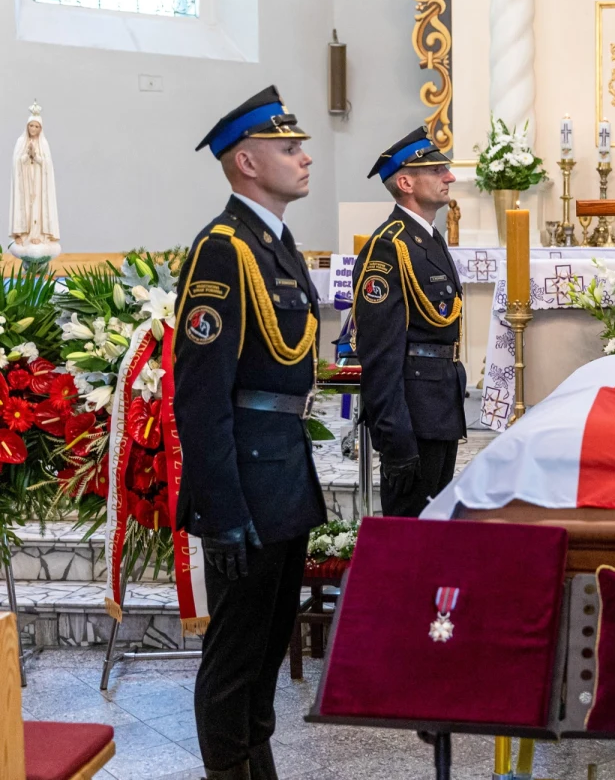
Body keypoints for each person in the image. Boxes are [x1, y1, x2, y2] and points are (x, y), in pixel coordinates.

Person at [177, 85, 326, 780]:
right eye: (288, 148)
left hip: (283, 481)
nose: (304, 157)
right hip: (244, 489)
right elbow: (201, 399)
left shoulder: (276, 247)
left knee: (266, 653)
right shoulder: (222, 250)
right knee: (234, 658)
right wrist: (222, 514)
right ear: (245, 161)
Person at [352, 126, 466, 517]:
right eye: (437, 170)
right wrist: (396, 442)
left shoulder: (428, 240)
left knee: (434, 534)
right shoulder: (389, 246)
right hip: (412, 421)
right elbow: (380, 355)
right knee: (409, 543)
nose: (448, 176)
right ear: (405, 182)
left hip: (438, 408)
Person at [8, 101, 61, 259]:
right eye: (31, 126)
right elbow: (16, 163)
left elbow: (47, 164)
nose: (34, 129)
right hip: (24, 182)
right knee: (25, 206)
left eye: (37, 127)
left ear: (41, 129)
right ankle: (22, 233)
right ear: (27, 126)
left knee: (37, 206)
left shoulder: (43, 143)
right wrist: (26, 155)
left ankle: (37, 233)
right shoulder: (20, 142)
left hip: (38, 183)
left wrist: (35, 156)